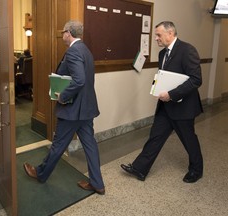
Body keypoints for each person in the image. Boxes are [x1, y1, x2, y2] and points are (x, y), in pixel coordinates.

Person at [23, 20, 105, 194]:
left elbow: (80, 80)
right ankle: (97, 183)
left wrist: (63, 96)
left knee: (59, 144)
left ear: (69, 33)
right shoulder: (86, 50)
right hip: (86, 108)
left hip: (73, 110)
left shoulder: (74, 51)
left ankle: (40, 173)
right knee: (90, 144)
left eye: (63, 32)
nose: (62, 35)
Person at [121, 21, 204, 183]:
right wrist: (156, 87)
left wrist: (172, 94)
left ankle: (196, 170)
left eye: (159, 35)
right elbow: (164, 76)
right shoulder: (162, 54)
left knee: (189, 140)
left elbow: (196, 80)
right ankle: (140, 169)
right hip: (165, 106)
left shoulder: (187, 50)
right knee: (155, 137)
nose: (156, 39)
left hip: (183, 106)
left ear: (170, 33)